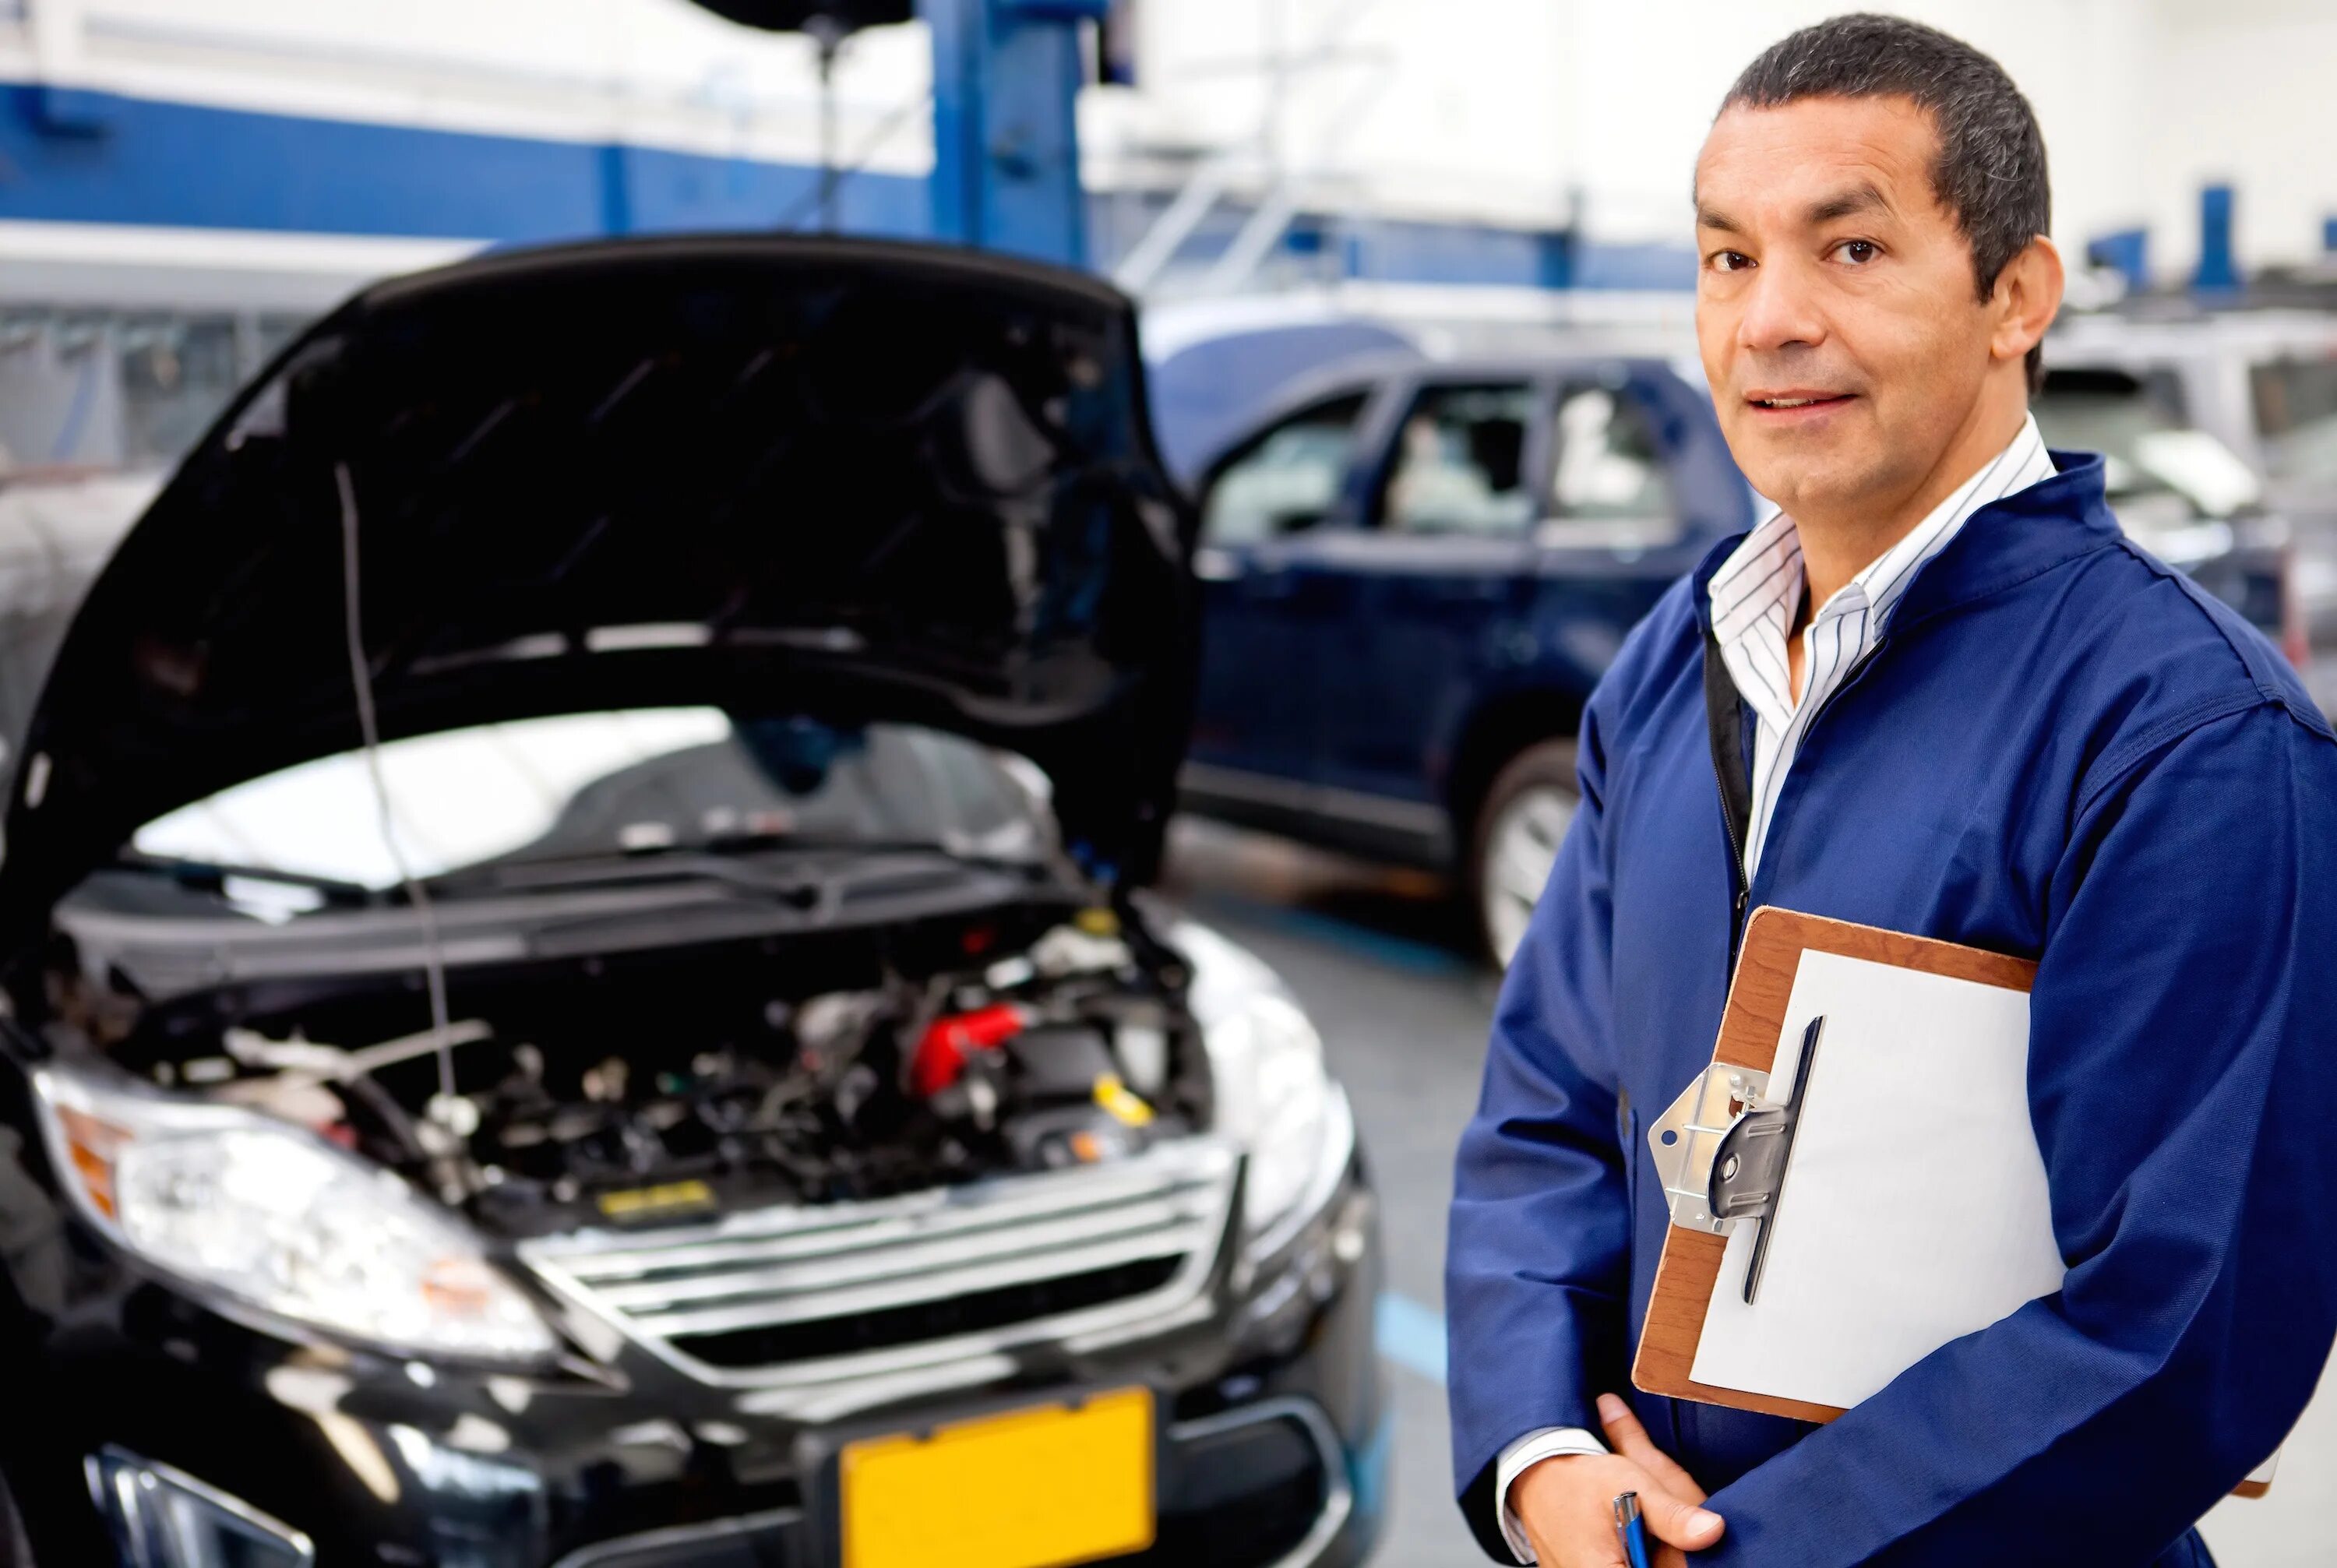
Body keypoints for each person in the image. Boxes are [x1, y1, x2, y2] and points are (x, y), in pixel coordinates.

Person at [1443, 14, 2337, 1566]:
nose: (1770, 319)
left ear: (2015, 298)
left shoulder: (2180, 734)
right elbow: (1552, 1114)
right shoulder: (1678, 669)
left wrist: (1732, 1554)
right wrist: (1542, 1459)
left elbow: (2179, 1319)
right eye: (1727, 259)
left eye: (1849, 249)